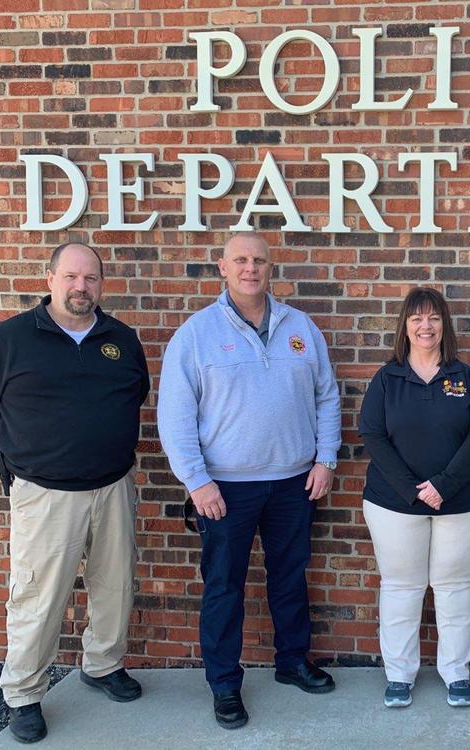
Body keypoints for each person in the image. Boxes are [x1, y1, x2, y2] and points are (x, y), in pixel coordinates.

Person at [0, 241, 150, 744]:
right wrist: (15, 456)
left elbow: (136, 395)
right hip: (45, 493)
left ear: (101, 285)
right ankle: (23, 693)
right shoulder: (10, 338)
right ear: (50, 279)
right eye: (71, 276)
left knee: (114, 585)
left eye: (91, 279)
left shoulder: (120, 339)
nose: (81, 287)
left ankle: (103, 665)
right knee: (39, 597)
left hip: (113, 485)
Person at [157, 232, 341, 730]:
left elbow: (327, 396)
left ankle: (292, 661)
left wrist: (325, 458)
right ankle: (223, 683)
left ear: (270, 267)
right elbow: (174, 416)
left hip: (292, 483)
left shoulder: (300, 327)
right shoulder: (196, 334)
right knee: (223, 586)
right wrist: (196, 482)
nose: (250, 268)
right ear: (222, 266)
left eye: (259, 260)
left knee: (289, 576)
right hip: (224, 489)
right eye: (240, 259)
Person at [358, 288, 470, 709]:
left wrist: (444, 484)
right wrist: (411, 488)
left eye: (434, 318)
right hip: (393, 503)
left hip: (462, 502)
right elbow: (372, 436)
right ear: (404, 325)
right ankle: (399, 675)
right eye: (417, 318)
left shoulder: (465, 377)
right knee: (402, 587)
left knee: (455, 586)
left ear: (444, 325)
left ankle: (456, 672)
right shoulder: (387, 378)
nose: (425, 326)